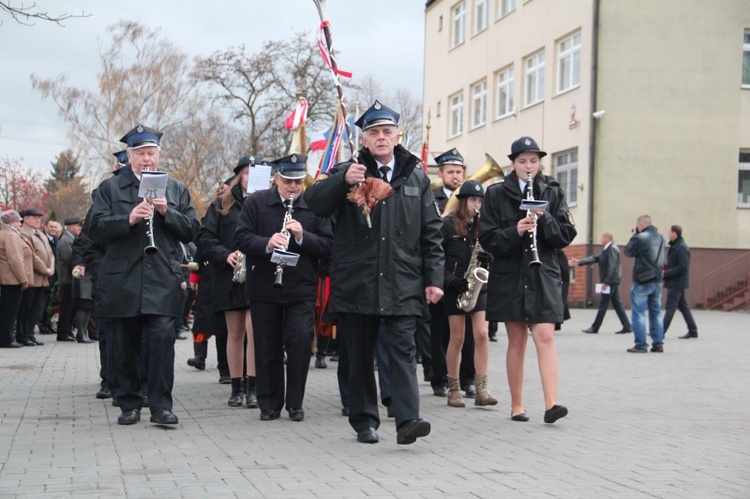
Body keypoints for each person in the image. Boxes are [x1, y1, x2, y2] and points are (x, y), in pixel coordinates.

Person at [304, 101, 444, 444]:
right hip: (358, 279)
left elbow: (431, 232)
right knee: (360, 353)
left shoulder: (416, 176)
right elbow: (314, 204)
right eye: (373, 133)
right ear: (363, 140)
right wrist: (341, 182)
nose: (381, 138)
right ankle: (364, 420)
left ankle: (408, 419)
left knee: (402, 350)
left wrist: (434, 279)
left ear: (398, 136)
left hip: (403, 278)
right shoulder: (348, 170)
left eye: (387, 132)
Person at [89, 124, 200, 426]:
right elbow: (94, 230)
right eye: (140, 154)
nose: (146, 159)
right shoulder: (109, 189)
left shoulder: (175, 188)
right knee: (124, 344)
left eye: (151, 153)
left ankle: (161, 405)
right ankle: (129, 403)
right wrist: (127, 218)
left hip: (161, 277)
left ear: (159, 156)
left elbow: (193, 230)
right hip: (122, 278)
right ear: (129, 156)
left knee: (162, 340)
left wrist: (167, 213)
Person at [478, 136, 577, 424]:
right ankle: (517, 405)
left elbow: (565, 235)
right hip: (510, 275)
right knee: (517, 340)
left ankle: (552, 404)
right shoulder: (496, 194)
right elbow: (487, 238)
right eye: (522, 161)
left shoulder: (552, 191)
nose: (528, 166)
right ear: (513, 163)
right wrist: (516, 230)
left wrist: (543, 219)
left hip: (543, 272)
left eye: (534, 161)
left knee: (544, 336)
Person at [235, 154, 333, 422]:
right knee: (267, 345)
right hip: (264, 287)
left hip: (300, 287)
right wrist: (267, 243)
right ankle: (269, 403)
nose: (294, 187)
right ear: (276, 178)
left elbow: (327, 244)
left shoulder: (313, 205)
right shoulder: (256, 202)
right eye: (288, 181)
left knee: (300, 342)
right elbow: (241, 237)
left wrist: (302, 236)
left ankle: (295, 403)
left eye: (299, 181)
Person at [196, 155, 259, 409]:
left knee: (254, 333)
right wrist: (225, 254)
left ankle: (253, 387)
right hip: (231, 276)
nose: (250, 178)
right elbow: (205, 236)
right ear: (238, 176)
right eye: (246, 173)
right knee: (235, 333)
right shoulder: (223, 204)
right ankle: (235, 386)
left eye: (255, 174)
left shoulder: (268, 202)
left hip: (259, 274)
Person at [441, 179, 497, 408]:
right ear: (463, 202)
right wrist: (451, 281)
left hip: (478, 284)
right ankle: (454, 389)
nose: (477, 205)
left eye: (480, 201)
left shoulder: (482, 227)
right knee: (457, 337)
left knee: (482, 334)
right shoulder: (446, 225)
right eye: (473, 200)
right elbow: (437, 259)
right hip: (455, 285)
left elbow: (494, 251)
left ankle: (481, 388)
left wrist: (489, 259)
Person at [429, 148, 476, 399]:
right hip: (441, 271)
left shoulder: (469, 199)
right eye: (451, 172)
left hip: (464, 273)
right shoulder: (432, 198)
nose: (455, 176)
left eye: (459, 171)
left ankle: (468, 378)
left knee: (467, 332)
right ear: (441, 174)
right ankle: (440, 379)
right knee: (440, 330)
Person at [570, 232, 632, 334]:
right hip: (612, 280)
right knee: (617, 304)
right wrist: (580, 261)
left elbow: (612, 267)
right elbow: (595, 258)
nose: (600, 239)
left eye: (602, 237)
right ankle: (627, 326)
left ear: (607, 238)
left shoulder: (611, 249)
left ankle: (595, 327)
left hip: (611, 281)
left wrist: (606, 282)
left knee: (603, 304)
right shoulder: (608, 249)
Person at [624, 215, 665, 353]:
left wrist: (634, 236)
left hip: (642, 279)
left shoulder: (640, 237)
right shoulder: (661, 238)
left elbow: (628, 252)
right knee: (656, 313)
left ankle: (641, 345)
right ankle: (658, 343)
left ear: (640, 225)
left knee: (639, 312)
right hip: (658, 279)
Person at [17, 208, 54, 346]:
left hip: (42, 278)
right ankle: (23, 335)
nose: (38, 220)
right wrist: (46, 269)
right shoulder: (23, 234)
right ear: (26, 219)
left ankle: (30, 334)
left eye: (39, 218)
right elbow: (32, 256)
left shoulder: (41, 234)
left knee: (35, 309)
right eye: (34, 218)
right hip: (32, 277)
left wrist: (51, 268)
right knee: (26, 308)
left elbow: (50, 253)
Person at [0, 210, 31, 348]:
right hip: (12, 279)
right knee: (9, 311)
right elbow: (15, 259)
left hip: (5, 279)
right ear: (12, 222)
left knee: (6, 310)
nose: (20, 223)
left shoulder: (4, 234)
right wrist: (23, 279)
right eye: (19, 221)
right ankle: (7, 339)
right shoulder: (11, 236)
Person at [663, 225, 698, 339]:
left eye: (669, 232)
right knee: (683, 307)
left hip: (676, 282)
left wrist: (665, 273)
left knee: (670, 308)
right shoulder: (676, 246)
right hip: (676, 281)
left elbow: (683, 267)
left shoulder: (681, 247)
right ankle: (693, 330)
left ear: (674, 233)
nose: (668, 233)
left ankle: (660, 332)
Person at [55, 217, 82, 342]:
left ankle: (67, 330)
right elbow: (70, 259)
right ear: (70, 227)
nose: (79, 229)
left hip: (71, 279)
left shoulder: (71, 239)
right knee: (67, 307)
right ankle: (63, 332)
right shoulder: (66, 240)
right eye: (77, 226)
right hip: (67, 279)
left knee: (71, 306)